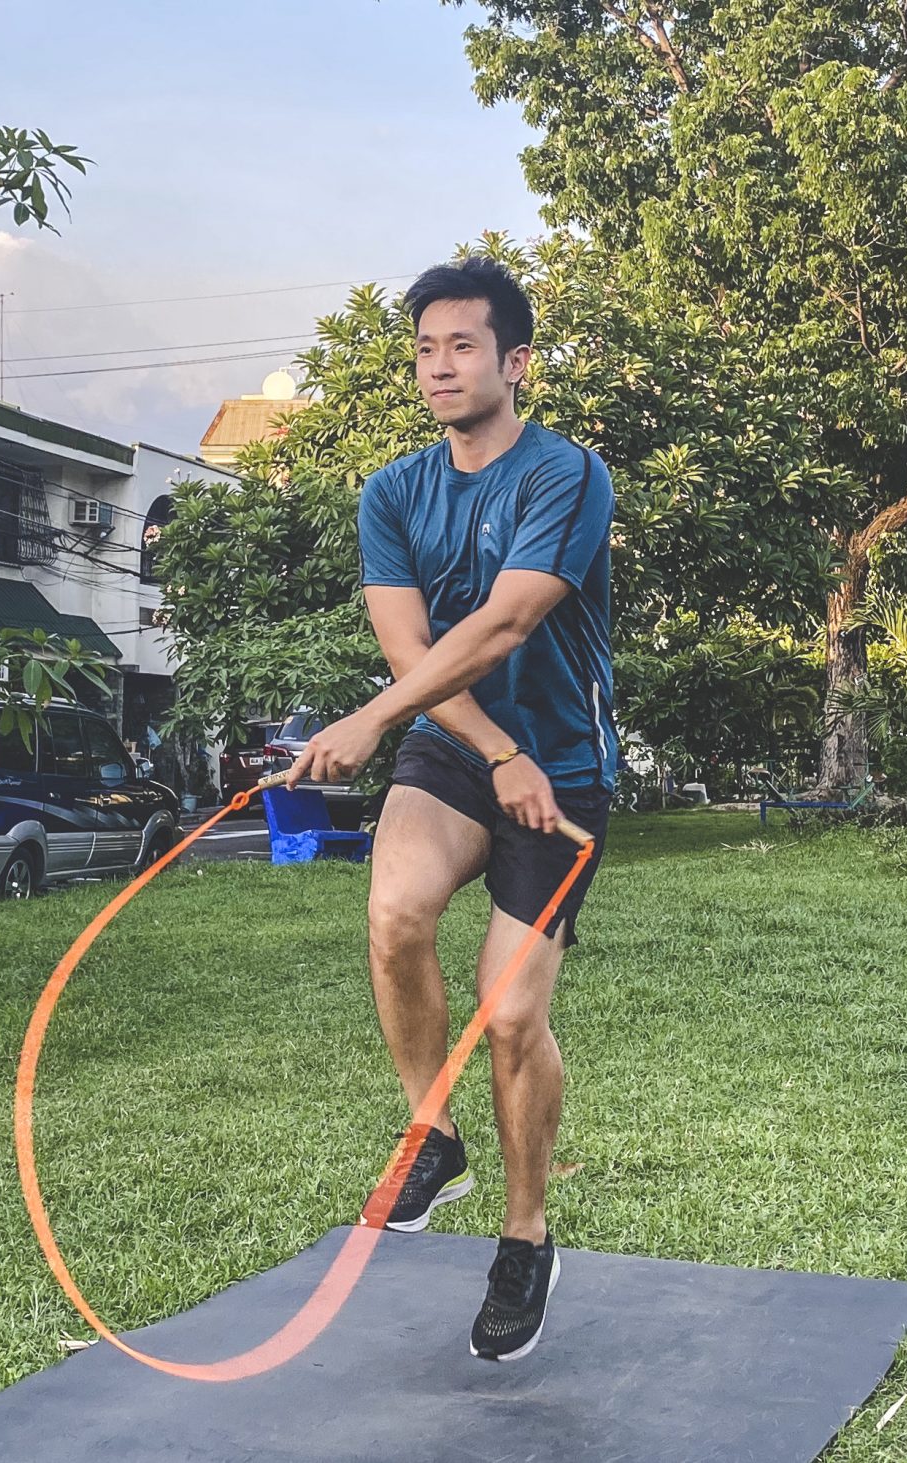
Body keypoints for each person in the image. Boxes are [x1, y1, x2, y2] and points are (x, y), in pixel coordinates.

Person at [284, 256, 617, 1364]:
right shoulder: (391, 490)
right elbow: (410, 647)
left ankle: (523, 1236)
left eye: (460, 345)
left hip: (562, 769)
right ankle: (430, 1129)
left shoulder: (567, 475)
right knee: (393, 913)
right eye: (424, 348)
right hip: (465, 747)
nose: (437, 366)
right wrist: (487, 744)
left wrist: (375, 722)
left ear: (514, 361)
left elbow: (508, 622)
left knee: (512, 1015)